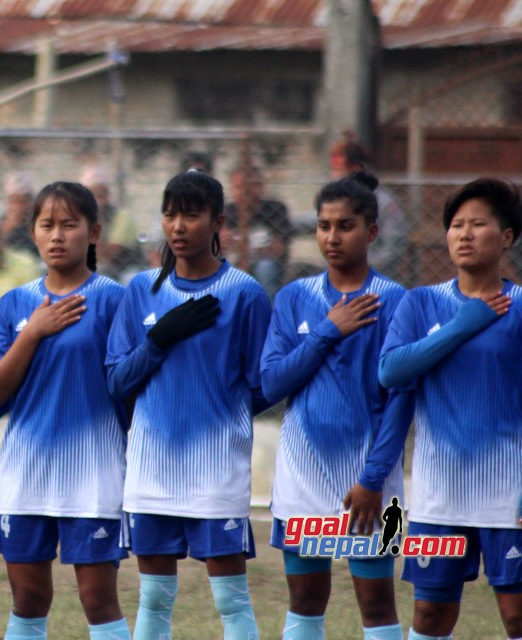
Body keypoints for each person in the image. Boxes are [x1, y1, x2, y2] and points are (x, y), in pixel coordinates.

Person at [105, 170, 270, 640]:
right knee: (154, 598)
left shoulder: (244, 293)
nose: (178, 226)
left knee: (230, 600)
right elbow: (116, 381)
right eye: (170, 214)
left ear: (217, 222)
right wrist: (158, 339)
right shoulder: (141, 290)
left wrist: (220, 411)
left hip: (218, 470)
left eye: (191, 215)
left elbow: (262, 386)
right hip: (151, 469)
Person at [259, 172, 413, 640]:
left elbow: (401, 400)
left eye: (345, 225)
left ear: (371, 230)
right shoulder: (294, 297)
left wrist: (372, 479)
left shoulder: (397, 301)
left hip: (371, 483)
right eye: (324, 225)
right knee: (305, 602)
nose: (332, 236)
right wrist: (328, 330)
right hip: (302, 474)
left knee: (377, 604)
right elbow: (271, 383)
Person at [0, 181, 130, 640]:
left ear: (93, 233)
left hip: (94, 468)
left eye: (69, 224)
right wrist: (32, 333)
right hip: (28, 471)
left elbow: (127, 384)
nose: (57, 235)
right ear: (33, 232)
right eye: (47, 225)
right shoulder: (15, 304)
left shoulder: (112, 299)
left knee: (97, 599)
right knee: (27, 599)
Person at [379, 177, 522, 640]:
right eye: (456, 224)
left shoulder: (520, 307)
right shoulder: (421, 303)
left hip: (510, 493)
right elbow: (391, 372)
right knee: (431, 616)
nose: (463, 234)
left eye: (478, 224)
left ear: (506, 237)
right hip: (440, 494)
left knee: (517, 614)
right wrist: (463, 325)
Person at [328, 139, 408, 282]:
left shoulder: (385, 203)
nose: (334, 176)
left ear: (355, 169)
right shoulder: (337, 200)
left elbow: (393, 247)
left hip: (376, 278)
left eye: (339, 170)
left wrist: (361, 268)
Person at [223, 165, 294, 298]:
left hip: (266, 264)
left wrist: (243, 247)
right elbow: (220, 247)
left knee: (265, 267)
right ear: (232, 189)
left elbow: (278, 247)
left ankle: (267, 313)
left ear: (261, 186)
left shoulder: (275, 209)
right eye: (239, 187)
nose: (247, 192)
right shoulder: (226, 212)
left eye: (253, 185)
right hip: (234, 262)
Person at [80, 165, 139, 280]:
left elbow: (110, 254)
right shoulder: (80, 217)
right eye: (94, 195)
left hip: (124, 269)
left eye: (102, 194)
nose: (99, 200)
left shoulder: (121, 216)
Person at [0, 171, 37, 255]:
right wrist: (8, 228)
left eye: (23, 201)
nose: (19, 206)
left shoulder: (40, 218)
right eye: (14, 201)